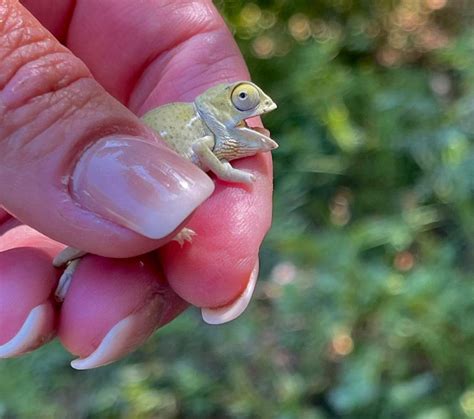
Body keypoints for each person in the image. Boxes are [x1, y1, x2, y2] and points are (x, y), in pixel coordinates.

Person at [0, 0, 273, 369]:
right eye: (242, 101)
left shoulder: (209, 126)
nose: (248, 113)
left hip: (118, 204)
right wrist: (238, 175)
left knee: (95, 255)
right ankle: (65, 275)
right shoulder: (205, 132)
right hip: (118, 197)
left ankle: (66, 276)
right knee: (80, 250)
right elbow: (205, 154)